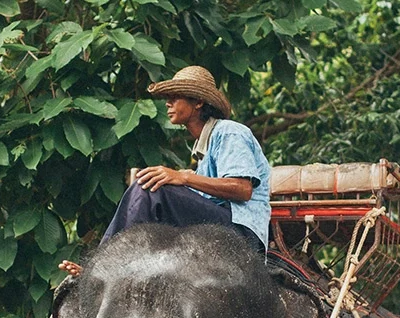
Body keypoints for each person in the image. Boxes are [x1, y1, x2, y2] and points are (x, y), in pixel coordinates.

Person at [60, 66, 271, 277]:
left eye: (175, 97)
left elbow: (242, 189)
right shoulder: (202, 146)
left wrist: (183, 177)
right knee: (149, 183)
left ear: (198, 102)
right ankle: (106, 266)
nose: (167, 103)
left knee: (150, 189)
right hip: (217, 225)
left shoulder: (229, 131)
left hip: (242, 233)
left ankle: (104, 268)